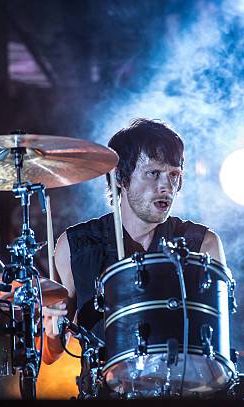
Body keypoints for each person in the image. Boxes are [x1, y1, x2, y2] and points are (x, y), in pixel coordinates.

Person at [42, 118, 226, 364]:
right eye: (153, 173)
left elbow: (218, 346)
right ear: (120, 177)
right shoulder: (75, 246)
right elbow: (51, 355)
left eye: (174, 175)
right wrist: (52, 331)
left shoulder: (203, 245)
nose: (166, 186)